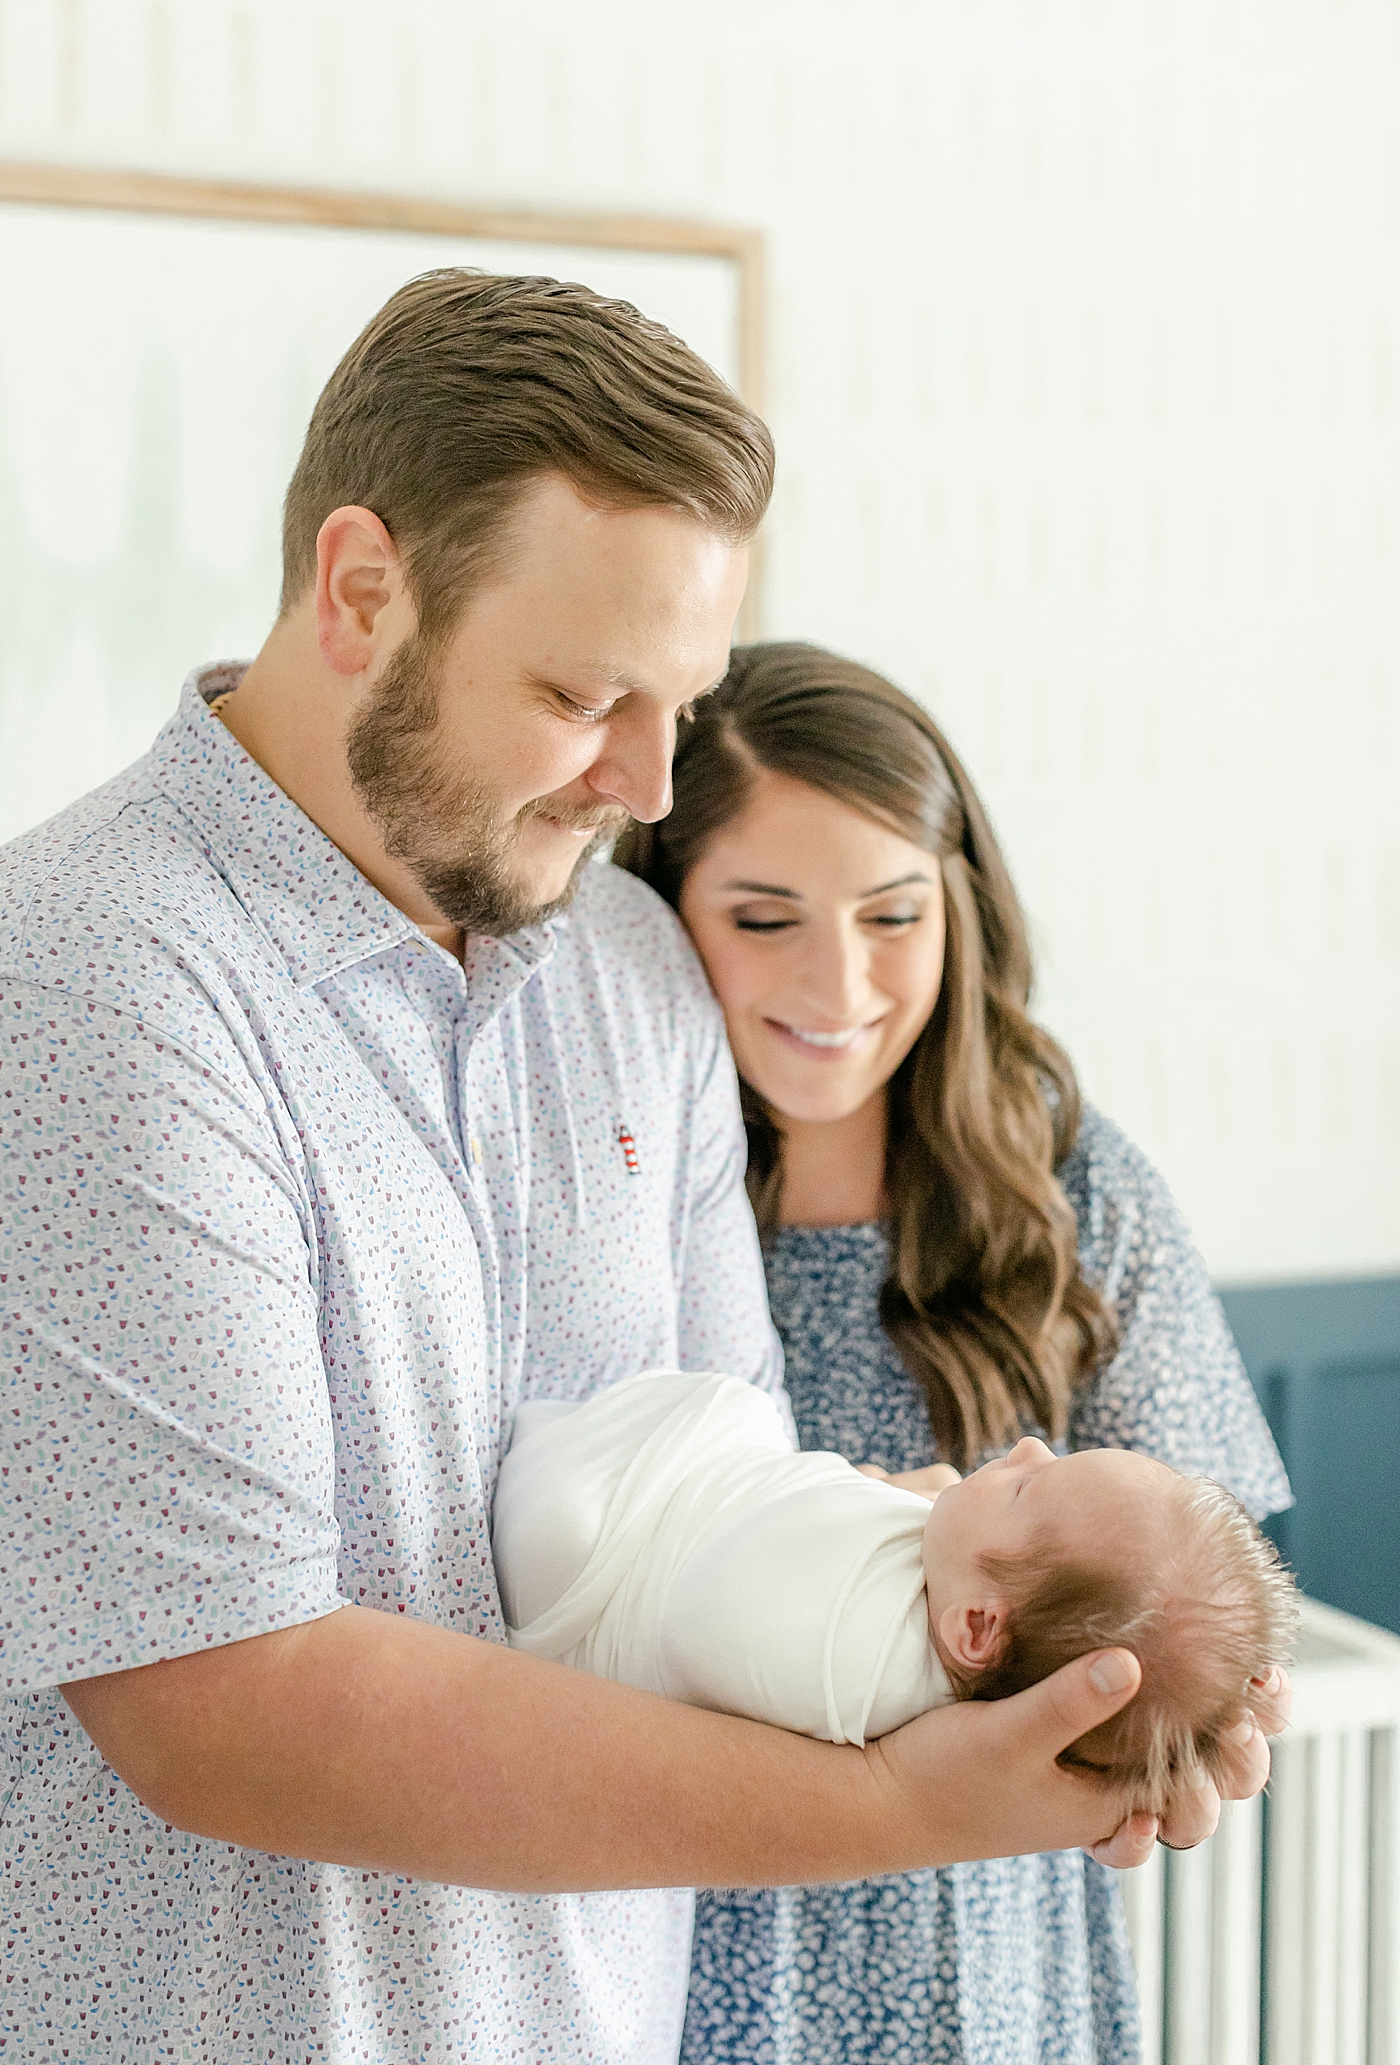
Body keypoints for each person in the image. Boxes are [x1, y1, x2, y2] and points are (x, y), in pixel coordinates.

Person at [0, 273, 1271, 2065]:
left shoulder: (629, 971)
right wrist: (910, 1810)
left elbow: (724, 1483)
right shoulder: (89, 983)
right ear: (362, 590)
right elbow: (227, 1702)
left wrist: (1034, 1662)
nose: (650, 781)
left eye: (679, 700)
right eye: (588, 694)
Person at [615, 641, 1295, 2065]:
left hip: (990, 1939)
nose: (838, 981)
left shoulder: (1074, 1193)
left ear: (958, 911)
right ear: (654, 915)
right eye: (761, 918)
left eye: (891, 914)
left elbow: (1194, 1576)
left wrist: (1206, 1725)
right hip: (674, 1903)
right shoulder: (615, 1201)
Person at [494, 1368, 1298, 1817]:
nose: (1024, 1448)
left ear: (976, 1629)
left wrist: (873, 1492)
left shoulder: (854, 1658)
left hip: (593, 1559)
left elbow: (709, 1609)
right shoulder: (945, 1601)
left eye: (1027, 1490)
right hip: (658, 1519)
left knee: (712, 1424)